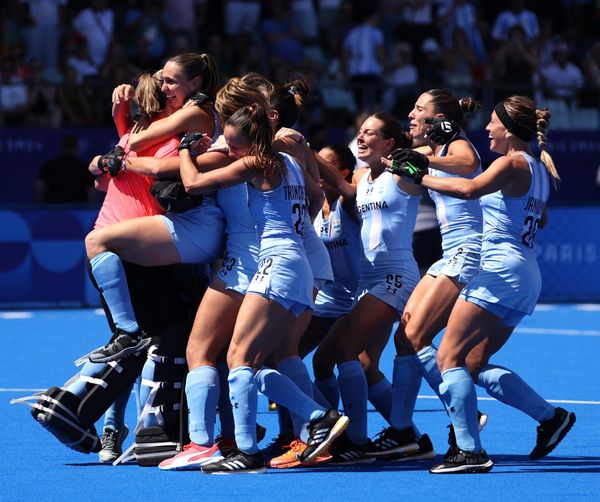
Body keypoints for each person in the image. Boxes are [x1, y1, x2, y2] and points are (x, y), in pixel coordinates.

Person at [384, 95, 575, 474]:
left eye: (493, 123)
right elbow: (543, 219)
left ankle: (469, 451)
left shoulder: (510, 161)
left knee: (448, 357)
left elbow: (469, 189)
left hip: (499, 270)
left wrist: (417, 173)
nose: (487, 128)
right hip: (525, 273)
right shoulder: (535, 167)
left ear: (509, 128)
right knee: (472, 362)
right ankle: (549, 417)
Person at [165, 104, 348, 474]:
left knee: (238, 358)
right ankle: (316, 417)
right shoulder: (290, 161)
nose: (230, 152)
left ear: (252, 142)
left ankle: (249, 450)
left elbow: (193, 183)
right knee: (255, 360)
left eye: (234, 145)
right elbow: (315, 199)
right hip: (296, 264)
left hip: (277, 264)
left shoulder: (256, 163)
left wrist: (185, 149)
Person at [365, 89, 483, 462]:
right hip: (450, 253)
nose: (411, 115)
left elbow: (466, 164)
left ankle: (461, 411)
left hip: (469, 251)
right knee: (405, 335)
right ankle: (402, 431)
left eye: (419, 109)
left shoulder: (457, 145)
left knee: (416, 335)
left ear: (438, 120)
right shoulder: (434, 151)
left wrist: (420, 157)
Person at [84, 53, 223, 363]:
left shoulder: (196, 114)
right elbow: (109, 172)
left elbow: (142, 149)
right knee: (163, 340)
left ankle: (126, 335)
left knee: (174, 340)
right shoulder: (180, 117)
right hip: (179, 225)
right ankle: (127, 344)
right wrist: (119, 129)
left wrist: (120, 147)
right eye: (162, 83)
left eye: (170, 82)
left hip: (194, 226)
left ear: (195, 83)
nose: (163, 90)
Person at [312, 112, 421, 464]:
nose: (360, 137)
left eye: (370, 133)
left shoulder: (404, 173)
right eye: (359, 131)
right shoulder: (361, 177)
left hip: (395, 276)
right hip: (368, 280)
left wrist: (422, 156)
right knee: (353, 360)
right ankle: (411, 438)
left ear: (388, 143)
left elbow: (443, 166)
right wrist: (305, 150)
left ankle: (356, 439)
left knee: (345, 349)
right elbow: (343, 187)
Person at [35, 134, 96, 204]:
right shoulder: (85, 168)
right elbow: (92, 191)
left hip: (53, 209)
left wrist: (40, 207)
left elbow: (39, 187)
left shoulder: (49, 166)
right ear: (77, 148)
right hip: (76, 209)